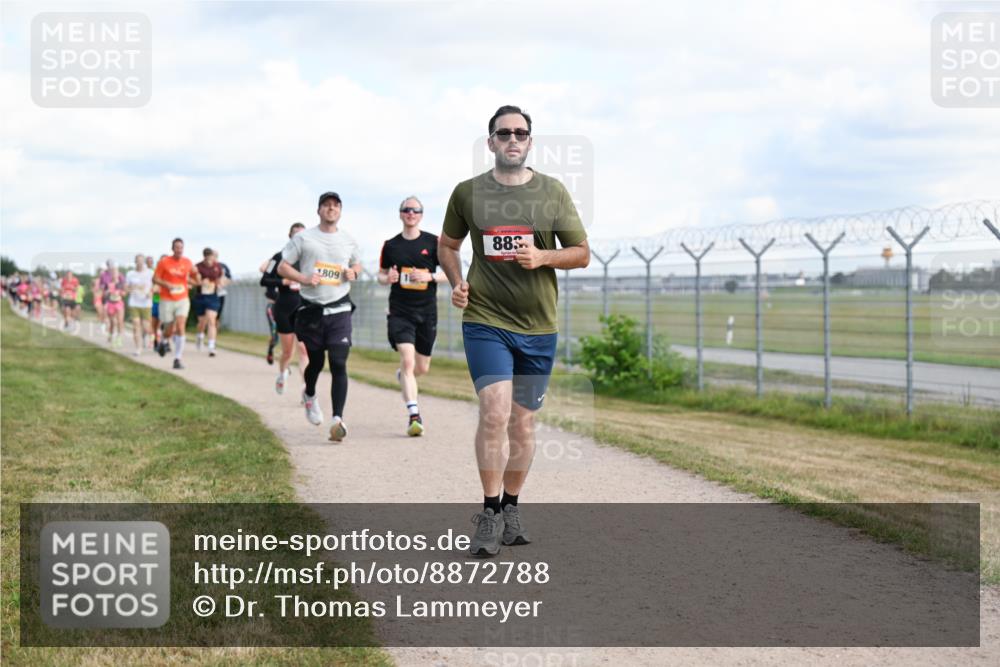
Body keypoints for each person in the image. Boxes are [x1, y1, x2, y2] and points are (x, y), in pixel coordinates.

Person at [439, 105, 590, 557]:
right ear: (490, 143)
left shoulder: (552, 192)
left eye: (520, 133)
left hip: (539, 328)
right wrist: (456, 282)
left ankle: (510, 507)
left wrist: (544, 257)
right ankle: (487, 514)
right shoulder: (467, 194)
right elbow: (447, 246)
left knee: (522, 426)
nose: (512, 139)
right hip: (486, 321)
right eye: (503, 133)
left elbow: (581, 253)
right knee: (494, 411)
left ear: (529, 141)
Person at [278, 192, 361, 442]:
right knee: (315, 362)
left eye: (335, 206)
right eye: (326, 205)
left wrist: (353, 273)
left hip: (340, 309)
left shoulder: (348, 240)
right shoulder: (304, 238)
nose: (331, 209)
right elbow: (283, 266)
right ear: (319, 210)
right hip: (312, 310)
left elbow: (356, 265)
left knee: (338, 362)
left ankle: (337, 420)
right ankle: (310, 395)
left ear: (340, 211)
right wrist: (304, 278)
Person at [378, 196, 447, 436]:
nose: (411, 213)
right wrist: (387, 279)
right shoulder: (391, 245)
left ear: (421, 214)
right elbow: (381, 274)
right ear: (400, 214)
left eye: (415, 210)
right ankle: (414, 415)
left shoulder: (433, 242)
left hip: (426, 311)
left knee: (422, 367)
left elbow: (451, 272)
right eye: (406, 210)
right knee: (407, 360)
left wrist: (430, 277)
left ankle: (403, 377)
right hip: (400, 311)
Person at [261, 223, 309, 394]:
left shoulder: (309, 257)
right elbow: (264, 280)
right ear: (290, 236)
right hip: (284, 308)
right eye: (295, 234)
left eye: (302, 235)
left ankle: (306, 388)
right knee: (288, 352)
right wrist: (283, 282)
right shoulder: (279, 256)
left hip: (304, 307)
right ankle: (282, 374)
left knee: (304, 350)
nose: (299, 238)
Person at [153, 238, 199, 369]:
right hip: (166, 299)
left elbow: (195, 276)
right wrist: (166, 284)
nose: (179, 249)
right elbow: (155, 278)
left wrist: (196, 278)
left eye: (181, 247)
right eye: (177, 247)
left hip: (182, 299)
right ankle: (163, 341)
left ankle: (177, 358)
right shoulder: (164, 262)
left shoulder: (187, 262)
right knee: (169, 329)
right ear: (172, 248)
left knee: (180, 326)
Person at [194, 248, 226, 357]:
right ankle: (200, 335)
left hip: (213, 296)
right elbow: (194, 281)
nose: (209, 259)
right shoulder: (198, 267)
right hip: (200, 297)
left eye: (211, 256)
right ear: (204, 257)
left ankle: (211, 346)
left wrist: (219, 283)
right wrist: (201, 282)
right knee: (202, 322)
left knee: (212, 320)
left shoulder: (218, 267)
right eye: (207, 257)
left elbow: (221, 278)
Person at [126, 253, 154, 356]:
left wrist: (151, 293)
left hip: (146, 303)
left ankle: (151, 337)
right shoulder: (130, 274)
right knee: (136, 324)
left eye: (142, 261)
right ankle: (138, 348)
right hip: (134, 302)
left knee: (146, 327)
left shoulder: (150, 273)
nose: (140, 263)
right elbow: (126, 288)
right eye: (138, 261)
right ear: (135, 262)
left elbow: (156, 286)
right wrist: (130, 289)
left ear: (144, 262)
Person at [103, 264, 127, 347]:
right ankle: (110, 334)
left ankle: (119, 339)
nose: (114, 274)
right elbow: (104, 294)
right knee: (113, 322)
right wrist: (108, 292)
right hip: (110, 304)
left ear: (118, 274)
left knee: (119, 322)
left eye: (115, 272)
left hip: (119, 303)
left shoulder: (121, 283)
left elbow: (124, 293)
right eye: (112, 273)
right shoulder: (108, 283)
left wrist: (120, 292)